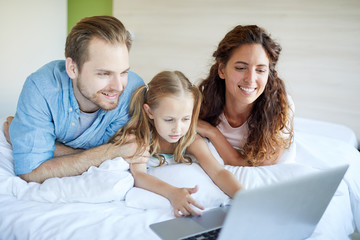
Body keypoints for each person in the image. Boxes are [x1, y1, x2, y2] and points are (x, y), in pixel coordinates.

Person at [3, 16, 147, 183]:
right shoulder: (41, 87)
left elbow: (134, 150)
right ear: (72, 69)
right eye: (104, 73)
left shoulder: (134, 92)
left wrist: (49, 148)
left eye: (123, 72)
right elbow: (31, 171)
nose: (118, 86)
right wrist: (111, 153)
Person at [109, 70, 243, 217]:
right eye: (169, 120)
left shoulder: (191, 140)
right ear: (150, 112)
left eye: (185, 119)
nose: (177, 129)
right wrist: (173, 193)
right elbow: (139, 175)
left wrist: (244, 197)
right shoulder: (141, 138)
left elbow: (218, 172)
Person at [196, 25, 294, 167]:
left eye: (260, 70)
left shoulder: (281, 107)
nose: (250, 79)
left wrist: (213, 133)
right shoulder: (202, 103)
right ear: (222, 70)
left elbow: (260, 164)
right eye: (241, 68)